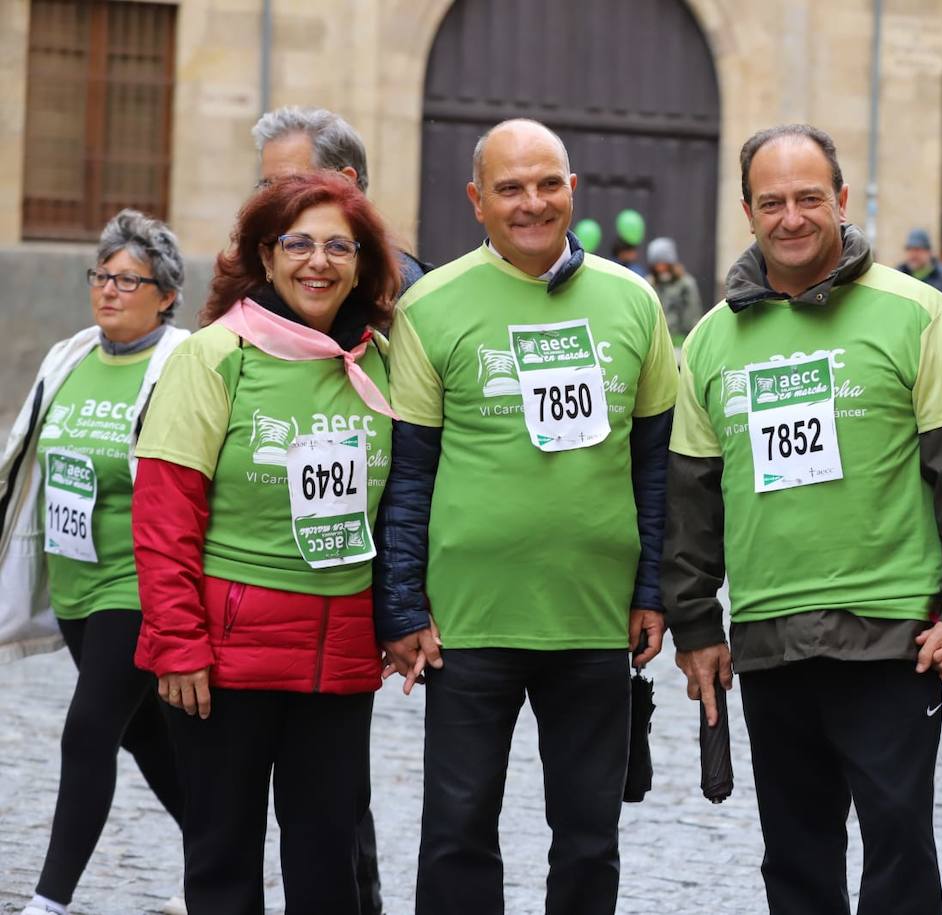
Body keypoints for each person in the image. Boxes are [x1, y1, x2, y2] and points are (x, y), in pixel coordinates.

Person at [664, 123, 942, 915]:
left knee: (899, 848)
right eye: (771, 202)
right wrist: (697, 624)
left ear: (841, 199)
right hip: (771, 636)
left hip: (892, 636)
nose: (792, 217)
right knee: (796, 857)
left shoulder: (921, 315)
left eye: (810, 197)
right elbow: (692, 497)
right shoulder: (709, 340)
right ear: (747, 211)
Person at [374, 118, 677, 915]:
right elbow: (409, 471)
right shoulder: (431, 306)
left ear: (573, 190)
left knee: (587, 838)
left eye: (548, 183)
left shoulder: (633, 301)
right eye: (510, 187)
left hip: (593, 618)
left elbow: (655, 464)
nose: (532, 202)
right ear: (478, 200)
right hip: (467, 620)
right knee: (457, 830)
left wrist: (652, 589)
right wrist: (402, 604)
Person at [131, 172, 399, 913]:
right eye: (300, 243)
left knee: (328, 868)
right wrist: (177, 642)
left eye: (339, 246)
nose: (319, 261)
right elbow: (162, 516)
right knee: (222, 863)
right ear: (266, 254)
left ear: (362, 261)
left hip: (339, 658)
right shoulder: (214, 356)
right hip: (223, 660)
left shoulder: (382, 361)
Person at [0, 211, 189, 915]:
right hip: (75, 581)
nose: (109, 291)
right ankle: (220, 855)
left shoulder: (181, 362)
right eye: (101, 276)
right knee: (141, 732)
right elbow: (23, 460)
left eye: (128, 279)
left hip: (138, 582)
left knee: (88, 730)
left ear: (166, 294)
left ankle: (49, 900)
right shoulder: (69, 355)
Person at [254, 104, 428, 292]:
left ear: (345, 183)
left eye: (291, 184)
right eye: (267, 186)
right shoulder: (255, 269)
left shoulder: (400, 291)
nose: (270, 202)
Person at [646, 235, 704, 339]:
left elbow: (693, 314)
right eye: (656, 264)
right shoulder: (649, 284)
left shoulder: (686, 285)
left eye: (663, 263)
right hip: (656, 339)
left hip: (680, 339)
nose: (660, 268)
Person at [896, 227, 942, 303]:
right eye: (909, 249)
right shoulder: (899, 274)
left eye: (917, 250)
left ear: (928, 252)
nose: (913, 254)